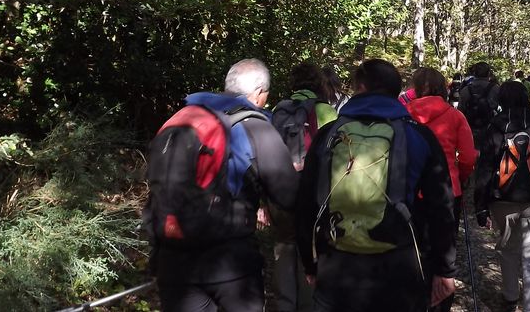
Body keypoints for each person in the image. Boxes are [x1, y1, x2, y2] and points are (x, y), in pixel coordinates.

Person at [297, 59, 458, 312]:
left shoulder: (328, 135)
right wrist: (445, 269)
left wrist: (310, 262)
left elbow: (306, 203)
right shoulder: (417, 135)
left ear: (360, 88)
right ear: (396, 91)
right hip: (399, 270)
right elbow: (442, 206)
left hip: (336, 267)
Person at [149, 59, 298, 312]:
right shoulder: (255, 126)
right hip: (231, 264)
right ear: (259, 93)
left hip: (173, 257)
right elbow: (288, 195)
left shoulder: (183, 116)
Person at [473, 81, 530, 312]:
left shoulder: (495, 126)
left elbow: (484, 169)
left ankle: (510, 296)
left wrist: (481, 206)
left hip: (502, 200)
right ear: (526, 97)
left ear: (500, 100)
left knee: (508, 249)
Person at [405, 67, 477, 312]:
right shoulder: (455, 116)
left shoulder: (403, 115)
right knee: (445, 249)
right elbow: (468, 157)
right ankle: (440, 303)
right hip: (447, 190)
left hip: (411, 191)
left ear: (416, 88)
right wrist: (461, 178)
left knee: (414, 249)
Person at [269, 62, 339, 312]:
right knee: (310, 250)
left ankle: (284, 305)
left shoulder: (279, 109)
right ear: (319, 84)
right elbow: (336, 154)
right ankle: (308, 305)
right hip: (313, 194)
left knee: (283, 247)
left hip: (280, 192)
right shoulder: (325, 111)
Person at [456, 61, 499, 143]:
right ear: (489, 73)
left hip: (470, 129)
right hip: (490, 129)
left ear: (474, 73)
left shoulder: (466, 90)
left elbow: (460, 111)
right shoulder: (495, 89)